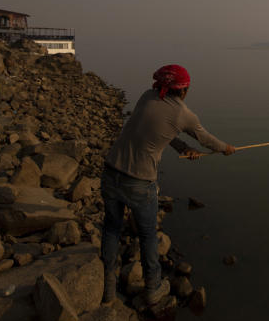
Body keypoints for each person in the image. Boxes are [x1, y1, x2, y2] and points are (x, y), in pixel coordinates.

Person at [100, 64, 236, 305]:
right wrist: (226, 149)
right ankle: (153, 289)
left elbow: (158, 130)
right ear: (184, 90)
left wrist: (183, 148)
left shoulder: (147, 96)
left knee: (111, 228)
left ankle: (108, 291)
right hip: (140, 182)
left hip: (111, 171)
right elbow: (207, 140)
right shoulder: (184, 114)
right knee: (148, 236)